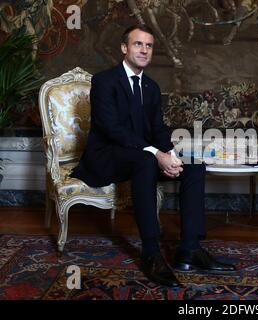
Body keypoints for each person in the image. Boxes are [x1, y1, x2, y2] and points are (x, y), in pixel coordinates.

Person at [71, 24, 236, 287]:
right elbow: (111, 128)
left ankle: (189, 249)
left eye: (149, 45)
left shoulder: (151, 87)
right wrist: (156, 153)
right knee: (147, 160)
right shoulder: (104, 81)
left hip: (140, 158)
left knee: (193, 165)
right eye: (138, 44)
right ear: (124, 48)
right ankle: (151, 253)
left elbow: (158, 129)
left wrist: (170, 155)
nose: (144, 50)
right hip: (107, 157)